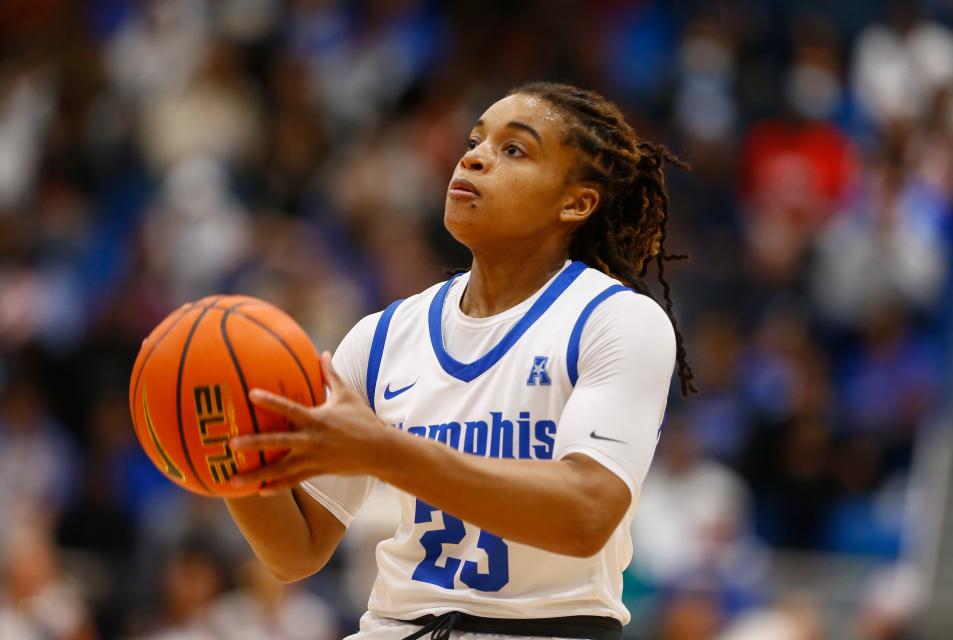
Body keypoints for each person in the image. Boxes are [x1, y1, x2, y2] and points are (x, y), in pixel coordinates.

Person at [224, 81, 695, 640]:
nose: (473, 156)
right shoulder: (381, 337)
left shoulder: (615, 320)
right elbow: (297, 552)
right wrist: (225, 455)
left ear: (576, 202)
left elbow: (585, 516)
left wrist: (384, 451)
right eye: (475, 140)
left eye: (513, 149)